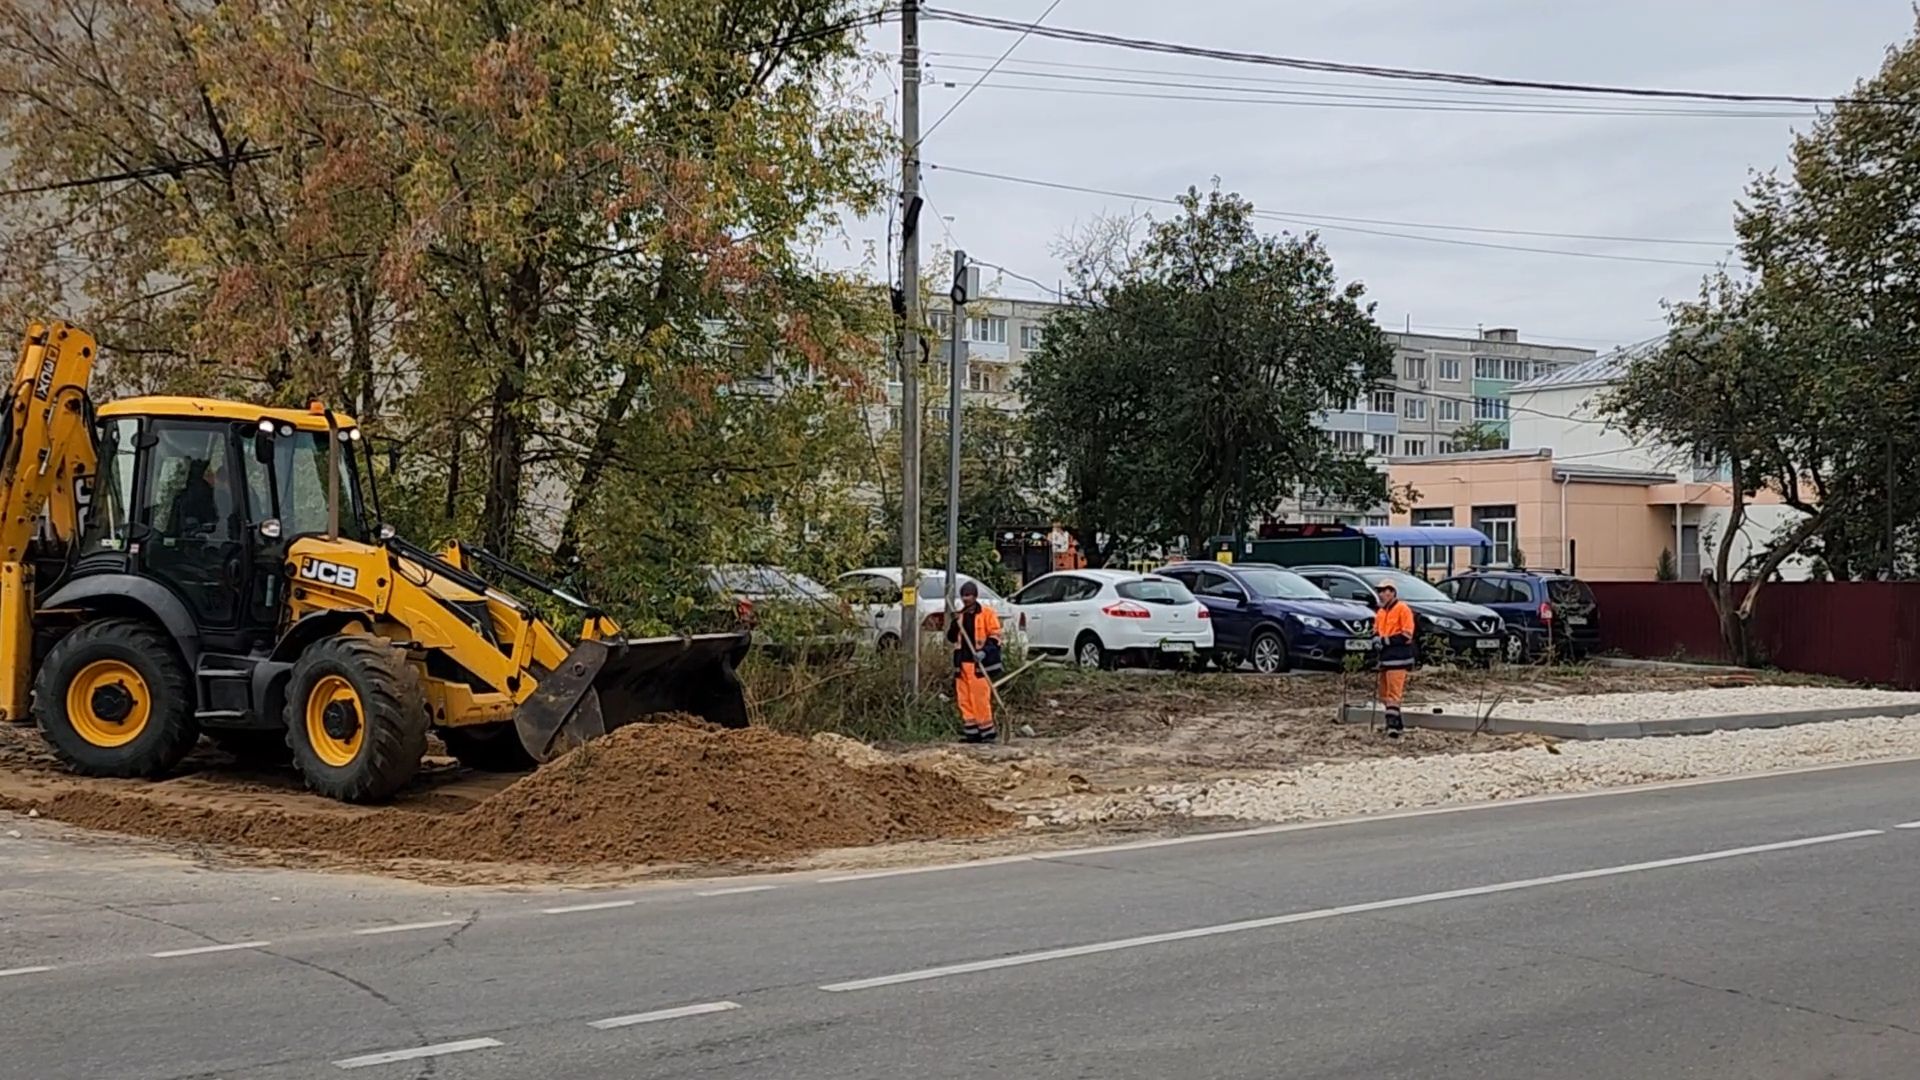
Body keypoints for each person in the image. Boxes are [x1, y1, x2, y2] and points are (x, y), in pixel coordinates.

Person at [946, 580, 1003, 743]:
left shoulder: (987, 614)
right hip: (961, 663)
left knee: (980, 698)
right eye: (963, 597)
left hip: (979, 665)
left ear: (975, 596)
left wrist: (984, 652)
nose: (966, 600)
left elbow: (995, 636)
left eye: (969, 597)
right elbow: (951, 638)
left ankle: (987, 732)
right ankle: (972, 732)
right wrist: (954, 624)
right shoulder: (960, 615)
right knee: (964, 698)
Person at [1373, 580, 1417, 737]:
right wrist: (1376, 639)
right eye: (1379, 591)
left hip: (1399, 658)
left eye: (1384, 591)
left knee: (1393, 694)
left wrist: (1385, 641)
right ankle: (1397, 724)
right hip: (1385, 659)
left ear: (1392, 592)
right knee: (1384, 694)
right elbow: (1376, 631)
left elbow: (1406, 635)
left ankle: (1392, 726)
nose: (1381, 594)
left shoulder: (1402, 609)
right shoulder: (1381, 612)